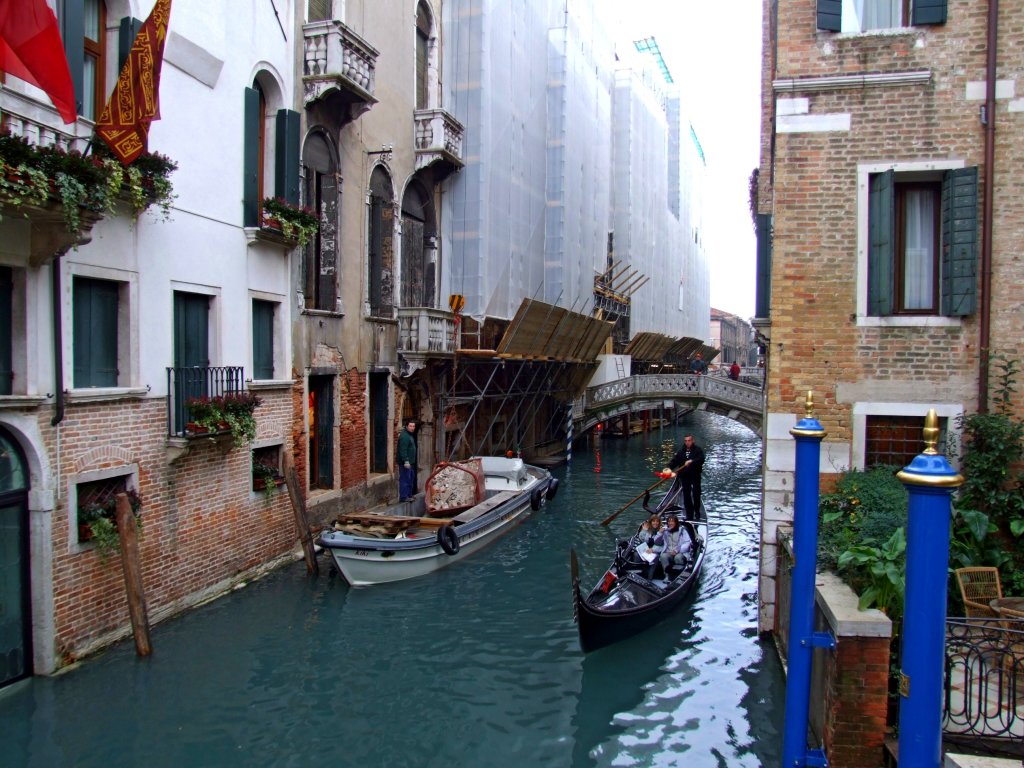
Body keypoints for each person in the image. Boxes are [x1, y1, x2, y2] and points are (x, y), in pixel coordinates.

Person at [662, 434, 705, 520]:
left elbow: (701, 459)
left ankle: (697, 512)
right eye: (686, 441)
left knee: (696, 495)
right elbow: (674, 461)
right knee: (686, 496)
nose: (687, 442)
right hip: (685, 476)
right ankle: (689, 515)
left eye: (689, 441)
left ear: (693, 441)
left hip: (695, 476)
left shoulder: (698, 450)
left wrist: (691, 461)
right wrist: (668, 468)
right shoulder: (681, 452)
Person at [397, 420, 417, 501]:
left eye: (413, 426)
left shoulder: (409, 435)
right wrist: (406, 461)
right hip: (405, 463)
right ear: (407, 426)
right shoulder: (404, 436)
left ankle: (409, 495)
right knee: (405, 479)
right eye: (411, 426)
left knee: (410, 478)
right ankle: (404, 497)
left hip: (411, 463)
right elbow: (403, 449)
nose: (412, 428)